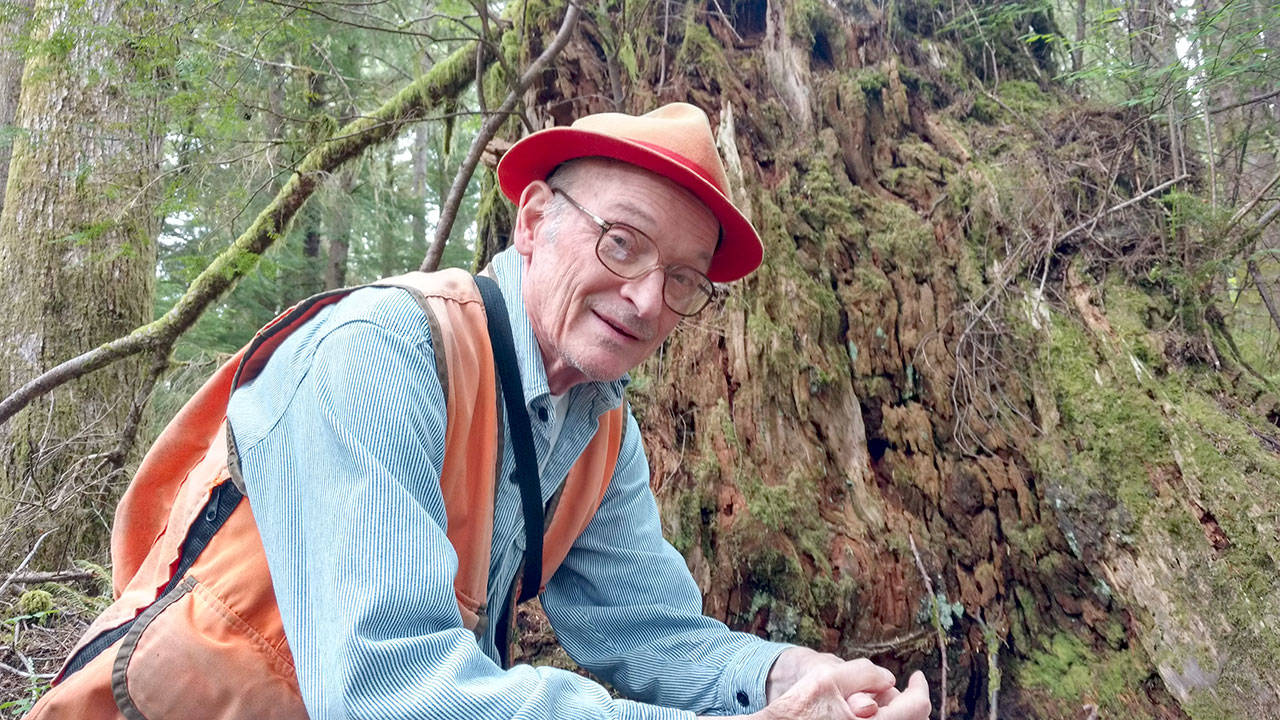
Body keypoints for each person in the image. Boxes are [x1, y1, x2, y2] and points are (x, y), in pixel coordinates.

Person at [226, 103, 932, 719]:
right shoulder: (388, 351)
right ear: (532, 221)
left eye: (683, 279)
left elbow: (652, 634)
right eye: (622, 243)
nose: (648, 301)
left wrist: (793, 675)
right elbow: (387, 690)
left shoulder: (598, 430)